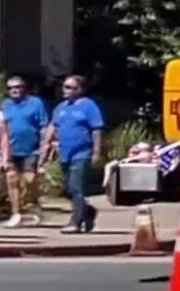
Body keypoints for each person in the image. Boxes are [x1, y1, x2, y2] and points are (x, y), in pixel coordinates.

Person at [39, 75, 104, 234]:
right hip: (65, 154)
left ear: (80, 89)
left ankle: (75, 222)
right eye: (64, 87)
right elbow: (52, 127)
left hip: (82, 153)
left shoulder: (89, 106)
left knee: (76, 188)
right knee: (69, 189)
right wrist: (45, 149)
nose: (65, 90)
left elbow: (97, 130)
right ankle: (87, 212)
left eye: (70, 87)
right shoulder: (61, 107)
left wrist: (96, 151)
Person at [2, 75, 48, 227]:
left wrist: (44, 147)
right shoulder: (5, 105)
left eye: (17, 87)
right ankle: (16, 214)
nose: (14, 90)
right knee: (12, 180)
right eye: (11, 88)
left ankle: (33, 206)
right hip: (11, 149)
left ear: (24, 88)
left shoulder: (35, 103)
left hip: (31, 150)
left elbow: (43, 127)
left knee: (29, 180)